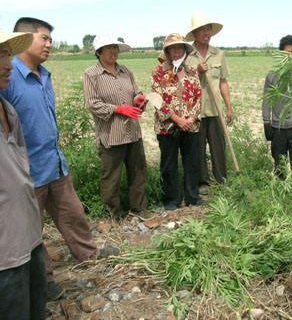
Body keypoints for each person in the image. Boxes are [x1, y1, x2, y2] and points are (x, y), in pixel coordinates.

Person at [0, 18, 118, 302]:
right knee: (31, 231)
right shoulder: (10, 77)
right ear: (26, 39)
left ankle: (88, 253)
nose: (49, 44)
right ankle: (45, 279)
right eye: (44, 38)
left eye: (51, 39)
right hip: (27, 172)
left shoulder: (44, 75)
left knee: (73, 212)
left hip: (54, 163)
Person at [0, 30, 47, 319]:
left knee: (35, 308)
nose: (7, 64)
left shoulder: (8, 111)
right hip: (5, 255)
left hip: (30, 240)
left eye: (6, 54)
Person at [83, 35, 148, 219]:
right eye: (108, 48)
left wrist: (138, 99)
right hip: (111, 133)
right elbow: (92, 103)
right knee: (111, 176)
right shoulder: (91, 74)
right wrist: (119, 109)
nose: (113, 51)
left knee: (138, 172)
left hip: (133, 131)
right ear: (99, 52)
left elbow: (136, 92)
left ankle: (139, 210)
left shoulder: (125, 71)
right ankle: (113, 215)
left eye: (115, 47)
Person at [151, 33, 206, 210]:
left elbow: (199, 97)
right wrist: (177, 119)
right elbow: (157, 100)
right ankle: (172, 200)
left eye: (180, 48)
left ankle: (192, 197)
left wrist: (190, 118)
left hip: (191, 126)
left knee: (192, 162)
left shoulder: (191, 71)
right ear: (167, 52)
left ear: (185, 51)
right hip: (168, 127)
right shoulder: (159, 72)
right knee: (169, 164)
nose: (176, 52)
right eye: (172, 49)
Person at [185, 13, 233, 195]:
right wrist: (196, 71)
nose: (206, 33)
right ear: (195, 33)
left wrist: (229, 107)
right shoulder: (187, 55)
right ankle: (202, 182)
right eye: (202, 30)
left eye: (208, 29)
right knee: (197, 148)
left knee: (218, 146)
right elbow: (181, 82)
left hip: (215, 110)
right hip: (194, 111)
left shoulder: (218, 54)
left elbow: (223, 82)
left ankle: (221, 180)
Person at [262, 35, 292, 178]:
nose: (291, 56)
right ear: (281, 53)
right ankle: (281, 193)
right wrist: (266, 122)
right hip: (278, 128)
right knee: (279, 165)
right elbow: (267, 100)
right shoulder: (272, 75)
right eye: (288, 53)